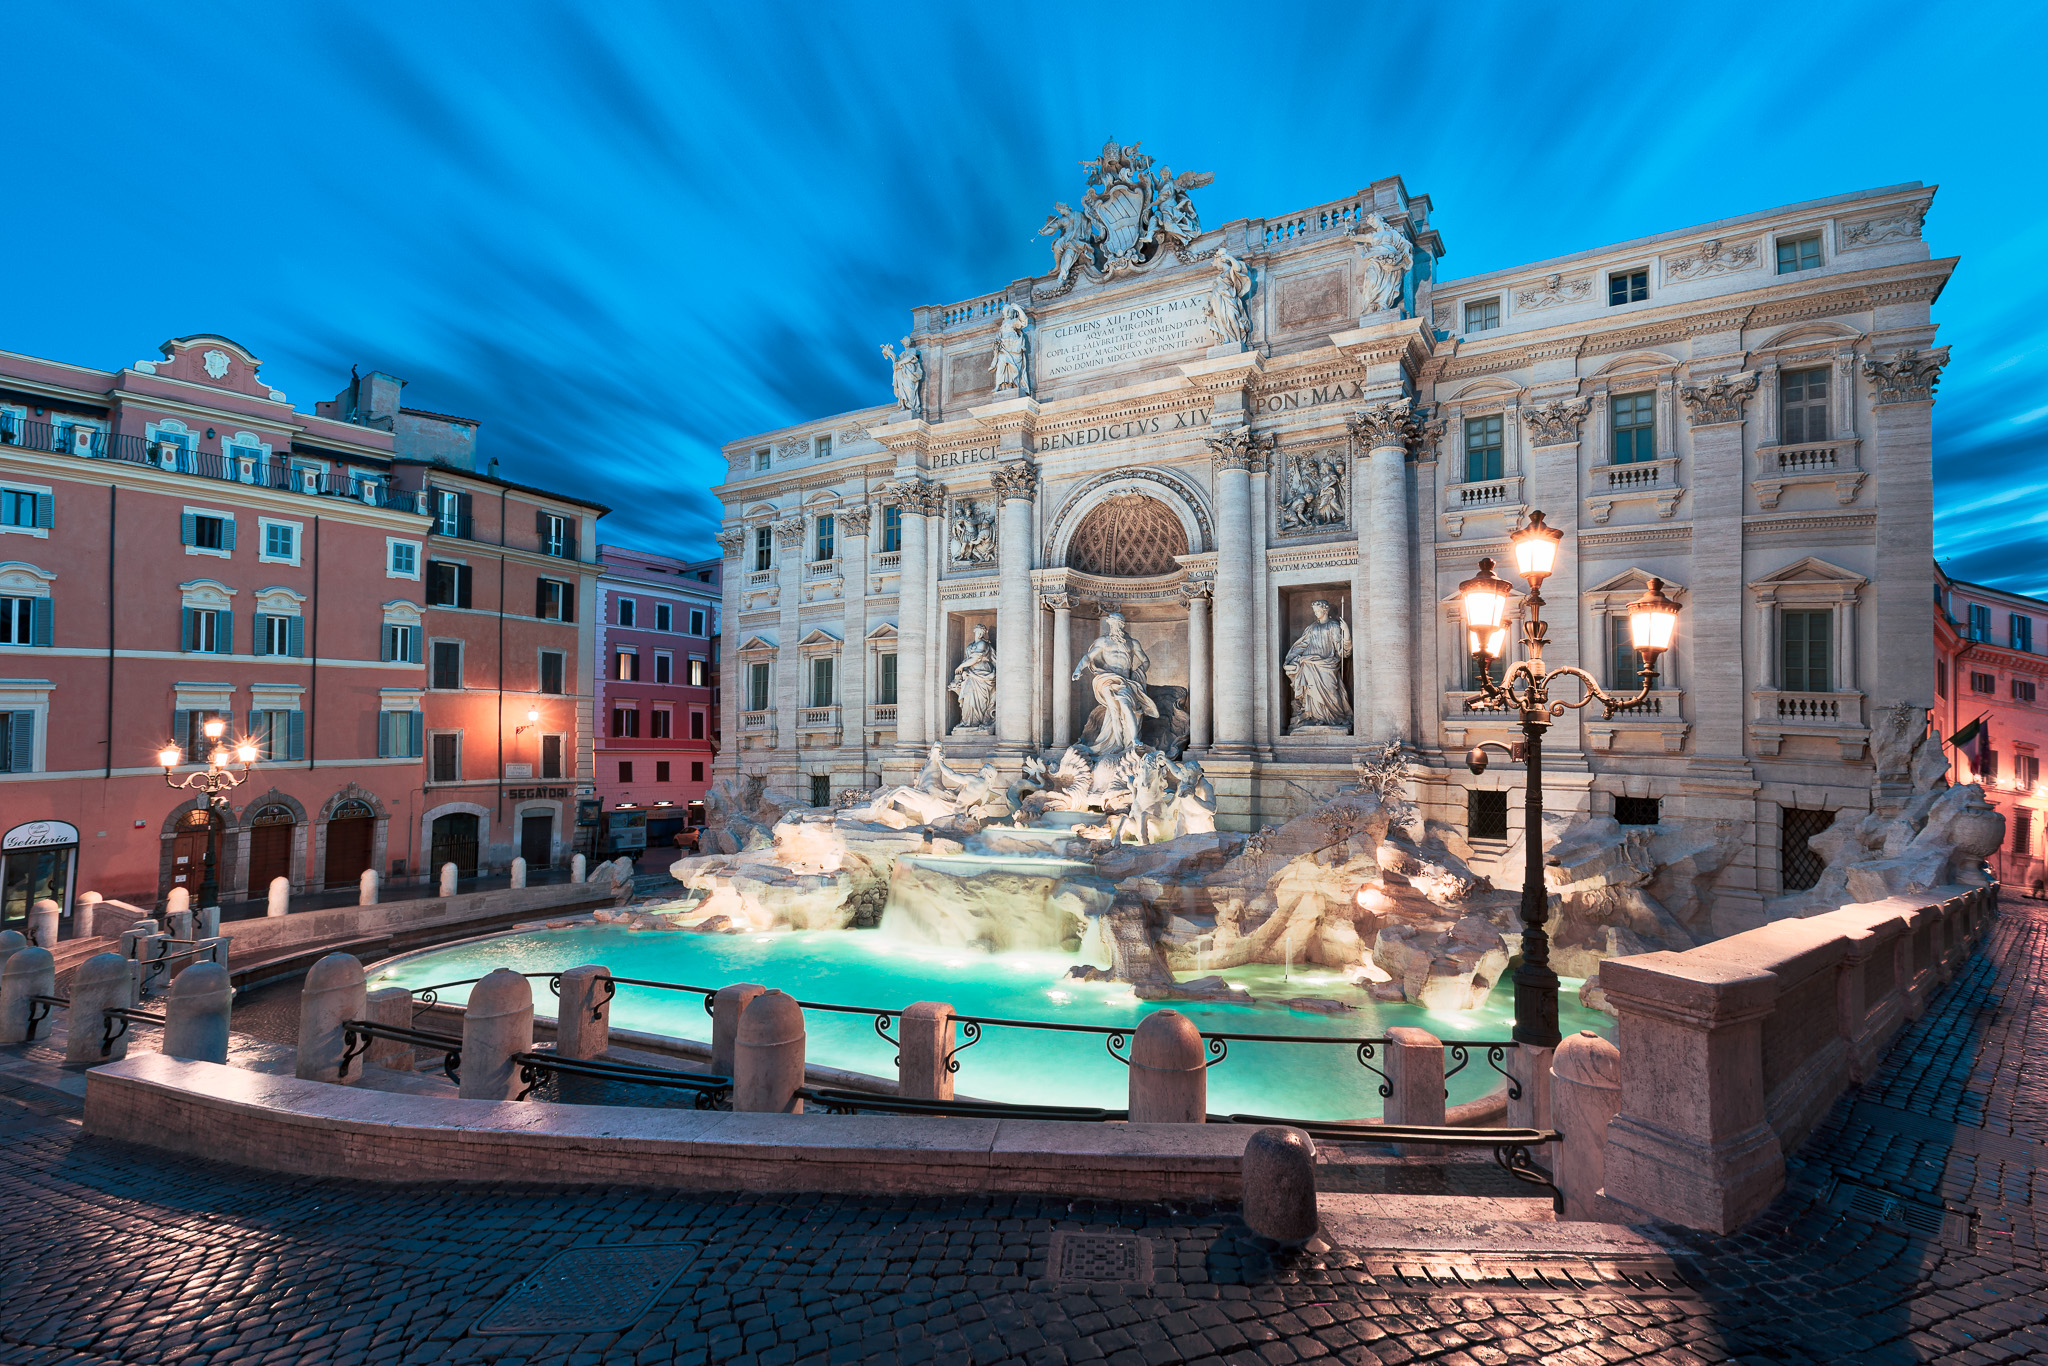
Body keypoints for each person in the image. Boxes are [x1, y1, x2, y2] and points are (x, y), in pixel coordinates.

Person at [1072, 612, 1157, 754]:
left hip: (1125, 681)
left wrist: (1139, 672)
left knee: (1125, 704)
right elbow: (1088, 656)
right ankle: (1117, 743)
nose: (1115, 626)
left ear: (1122, 625)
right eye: (1113, 623)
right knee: (1114, 710)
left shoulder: (1132, 643)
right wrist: (1078, 669)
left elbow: (1145, 661)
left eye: (1118, 623)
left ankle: (1134, 739)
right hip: (1107, 679)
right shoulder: (1103, 641)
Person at [1283, 599, 1354, 731]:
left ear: (1325, 610)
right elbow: (1302, 644)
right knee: (1311, 691)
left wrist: (1346, 633)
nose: (1315, 613)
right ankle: (1315, 718)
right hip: (1310, 663)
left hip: (1328, 664)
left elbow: (1342, 650)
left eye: (1317, 610)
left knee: (1331, 691)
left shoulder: (1333, 626)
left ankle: (1334, 718)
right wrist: (1292, 658)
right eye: (1314, 611)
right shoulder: (1312, 627)